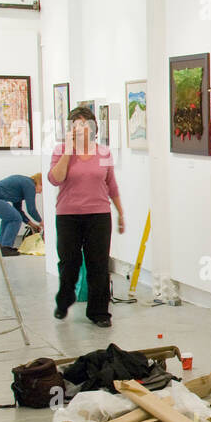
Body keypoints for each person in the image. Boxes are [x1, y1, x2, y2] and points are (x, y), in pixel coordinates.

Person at [48, 106, 125, 328]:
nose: (80, 128)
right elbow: (55, 179)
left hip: (99, 215)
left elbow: (111, 184)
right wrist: (69, 151)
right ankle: (64, 300)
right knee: (69, 262)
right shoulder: (61, 150)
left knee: (98, 264)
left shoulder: (103, 153)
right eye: (76, 124)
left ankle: (99, 312)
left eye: (84, 124)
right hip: (68, 215)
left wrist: (120, 212)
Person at [0, 173, 43, 256]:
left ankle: (2, 246)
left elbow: (18, 210)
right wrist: (41, 222)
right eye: (42, 188)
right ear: (39, 182)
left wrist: (32, 224)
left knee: (10, 217)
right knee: (15, 218)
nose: (40, 192)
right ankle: (6, 247)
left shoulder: (23, 185)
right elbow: (31, 209)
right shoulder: (29, 184)